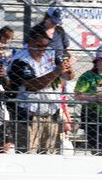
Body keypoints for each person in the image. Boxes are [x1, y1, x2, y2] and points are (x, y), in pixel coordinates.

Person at [8, 24, 75, 154]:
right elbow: (33, 85)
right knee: (28, 154)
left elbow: (70, 76)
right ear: (31, 42)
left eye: (45, 46)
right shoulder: (20, 60)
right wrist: (57, 72)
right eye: (40, 46)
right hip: (29, 115)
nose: (43, 49)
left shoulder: (51, 53)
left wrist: (67, 69)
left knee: (49, 155)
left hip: (51, 113)